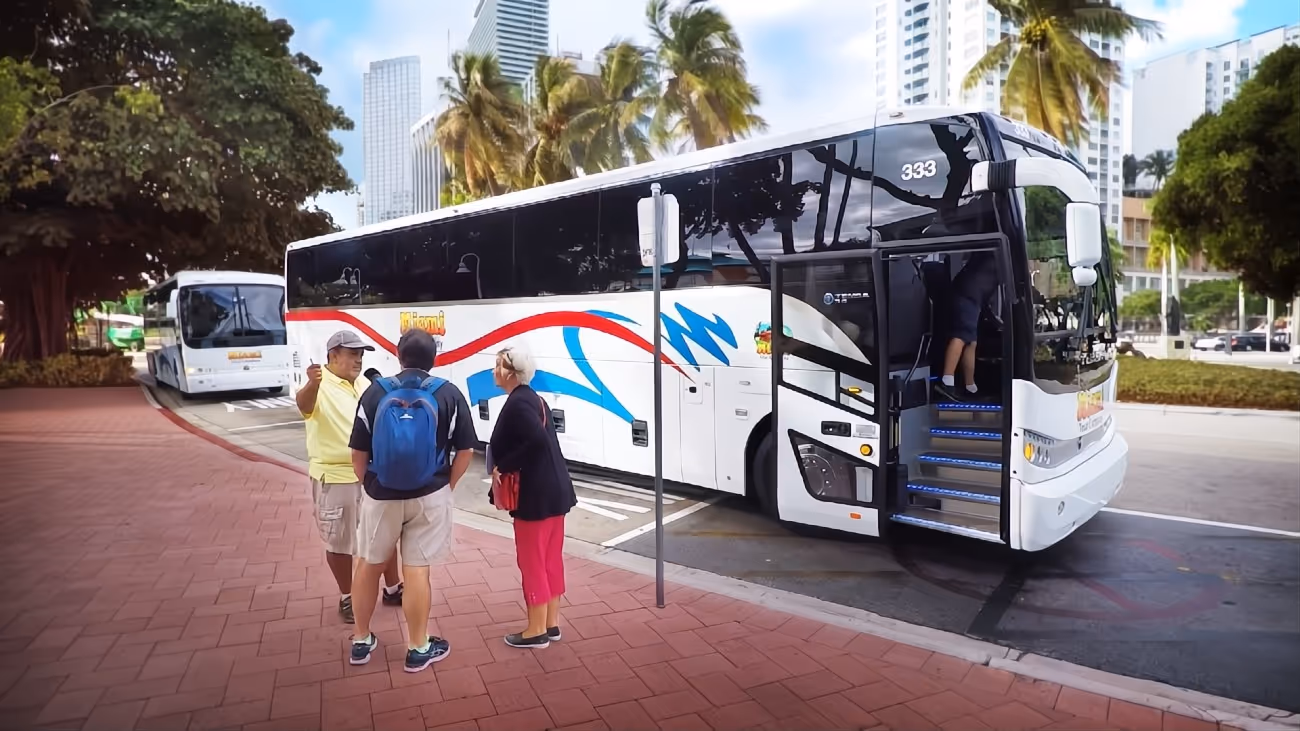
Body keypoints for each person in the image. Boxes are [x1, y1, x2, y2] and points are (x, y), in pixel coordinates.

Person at [347, 329, 477, 671]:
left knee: (368, 565)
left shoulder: (375, 393)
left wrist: (370, 485)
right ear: (433, 359)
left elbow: (357, 451)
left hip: (381, 494)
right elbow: (466, 450)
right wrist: (446, 485)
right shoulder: (448, 393)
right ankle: (418, 647)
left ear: (399, 356)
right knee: (417, 570)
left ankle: (362, 641)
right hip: (430, 494)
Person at [295, 330, 402, 623]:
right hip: (336, 476)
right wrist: (311, 384)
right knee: (339, 541)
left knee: (385, 533)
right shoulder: (320, 384)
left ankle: (393, 588)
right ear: (333, 356)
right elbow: (303, 404)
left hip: (370, 474)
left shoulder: (364, 384)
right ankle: (347, 596)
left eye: (361, 354)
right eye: (352, 354)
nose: (358, 359)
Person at [487, 346, 577, 649]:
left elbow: (535, 442)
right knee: (550, 559)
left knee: (532, 561)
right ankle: (551, 624)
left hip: (535, 497)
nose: (493, 371)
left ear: (510, 373)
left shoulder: (517, 403)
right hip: (555, 492)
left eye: (497, 366)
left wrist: (505, 465)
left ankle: (535, 631)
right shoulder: (535, 399)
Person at [937, 251, 999, 401]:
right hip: (968, 293)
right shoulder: (998, 254)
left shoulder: (996, 255)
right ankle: (946, 383)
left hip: (972, 295)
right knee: (962, 335)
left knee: (971, 341)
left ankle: (970, 387)